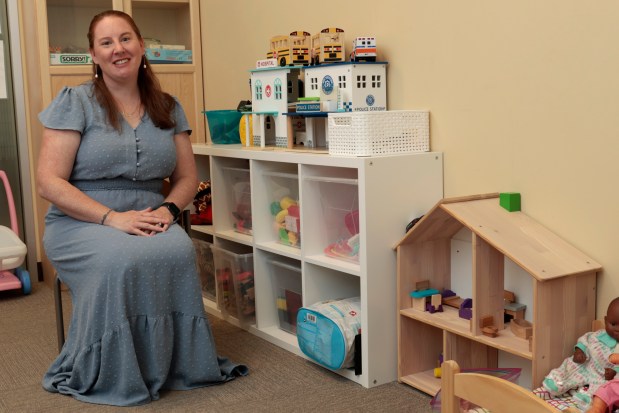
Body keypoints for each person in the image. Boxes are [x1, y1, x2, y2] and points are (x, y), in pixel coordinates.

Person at [37, 10, 247, 406]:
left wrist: (168, 211)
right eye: (106, 42)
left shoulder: (167, 106)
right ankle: (111, 367)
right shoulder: (75, 102)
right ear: (93, 55)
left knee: (179, 248)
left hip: (150, 217)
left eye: (126, 38)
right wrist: (113, 218)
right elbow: (49, 181)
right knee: (120, 259)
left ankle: (171, 364)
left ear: (141, 45)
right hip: (80, 223)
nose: (118, 49)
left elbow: (187, 178)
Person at [542, 297, 619, 410]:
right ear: (606, 320)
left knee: (604, 388)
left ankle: (586, 398)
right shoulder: (599, 335)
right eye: (613, 324)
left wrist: (614, 372)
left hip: (601, 376)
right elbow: (585, 340)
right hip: (585, 364)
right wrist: (579, 350)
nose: (617, 329)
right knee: (571, 364)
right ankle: (557, 380)